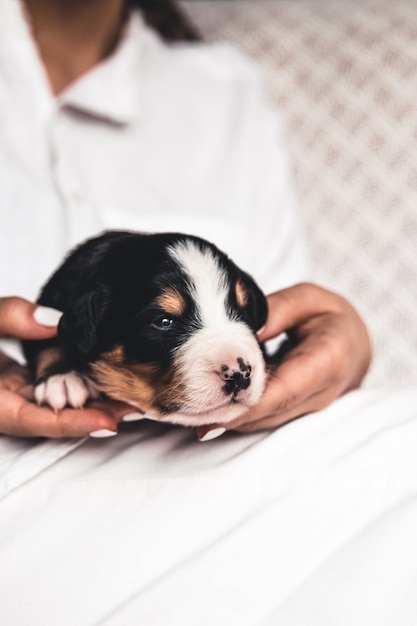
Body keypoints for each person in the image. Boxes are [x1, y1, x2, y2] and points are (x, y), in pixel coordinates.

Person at [0, 0, 371, 441]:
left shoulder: (227, 90)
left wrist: (342, 351)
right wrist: (53, 361)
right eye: (165, 320)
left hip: (212, 471)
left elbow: (278, 329)